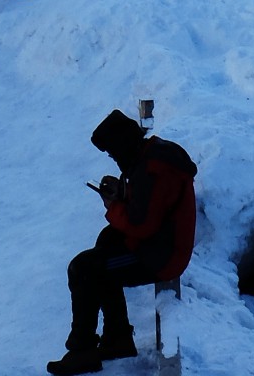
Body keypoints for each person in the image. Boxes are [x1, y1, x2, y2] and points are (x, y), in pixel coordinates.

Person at [46, 110, 200, 376]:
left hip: (161, 256)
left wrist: (113, 205)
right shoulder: (149, 157)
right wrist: (123, 193)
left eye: (112, 153)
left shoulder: (153, 170)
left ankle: (82, 349)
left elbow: (142, 225)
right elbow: (149, 206)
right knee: (104, 247)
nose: (114, 159)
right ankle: (117, 337)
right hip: (160, 242)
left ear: (123, 146)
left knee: (84, 268)